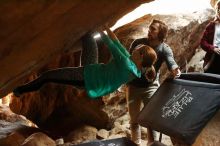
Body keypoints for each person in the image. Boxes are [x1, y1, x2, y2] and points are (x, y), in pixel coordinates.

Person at [13, 26, 157, 99]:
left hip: (87, 80)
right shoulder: (133, 65)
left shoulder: (126, 65)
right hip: (94, 68)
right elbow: (118, 44)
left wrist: (101, 27)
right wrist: (105, 27)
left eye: (138, 49)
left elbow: (111, 45)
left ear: (141, 56)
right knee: (89, 38)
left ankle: (20, 91)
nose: (135, 48)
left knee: (47, 76)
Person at [126, 19, 181, 145]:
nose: (149, 31)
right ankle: (136, 143)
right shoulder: (138, 43)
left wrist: (175, 70)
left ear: (160, 33)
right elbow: (128, 61)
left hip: (151, 87)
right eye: (149, 28)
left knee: (151, 119)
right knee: (134, 120)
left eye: (153, 29)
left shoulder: (164, 49)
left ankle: (152, 144)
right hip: (133, 86)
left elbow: (171, 62)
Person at [200, 0, 220, 74]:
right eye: (218, 9)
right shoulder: (211, 25)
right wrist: (213, 48)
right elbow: (202, 42)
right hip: (213, 59)